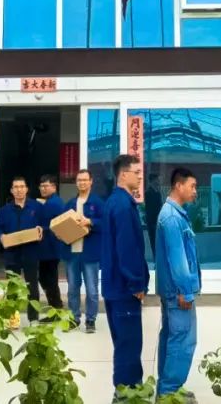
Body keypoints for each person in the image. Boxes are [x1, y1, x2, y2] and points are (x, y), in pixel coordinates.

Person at [100, 154, 149, 400]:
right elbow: (127, 248)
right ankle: (127, 393)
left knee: (123, 342)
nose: (140, 177)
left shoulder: (114, 202)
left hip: (114, 286)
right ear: (123, 175)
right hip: (123, 288)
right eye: (136, 173)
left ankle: (127, 390)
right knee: (129, 344)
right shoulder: (122, 205)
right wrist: (136, 283)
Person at [155, 168, 202, 401]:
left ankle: (167, 389)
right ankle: (169, 393)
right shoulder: (172, 218)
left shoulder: (174, 213)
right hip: (178, 293)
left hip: (172, 291)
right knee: (183, 341)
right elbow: (178, 260)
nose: (195, 191)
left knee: (172, 338)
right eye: (192, 186)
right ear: (178, 186)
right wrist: (185, 291)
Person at [0, 176, 44, 323]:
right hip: (12, 253)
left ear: (27, 189)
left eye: (22, 187)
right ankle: (12, 319)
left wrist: (41, 229)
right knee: (12, 287)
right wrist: (1, 237)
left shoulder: (36, 207)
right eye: (16, 187)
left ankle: (33, 318)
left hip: (31, 251)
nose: (19, 190)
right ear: (11, 190)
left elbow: (45, 224)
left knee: (32, 286)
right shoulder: (4, 210)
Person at [66, 168, 104, 333]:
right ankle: (74, 318)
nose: (82, 183)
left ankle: (90, 320)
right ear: (76, 183)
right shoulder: (70, 204)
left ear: (91, 182)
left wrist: (90, 221)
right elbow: (62, 225)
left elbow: (105, 223)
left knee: (92, 289)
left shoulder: (97, 203)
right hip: (72, 253)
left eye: (85, 180)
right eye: (79, 180)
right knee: (72, 288)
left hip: (90, 253)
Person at [36, 174, 66, 311]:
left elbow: (56, 224)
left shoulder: (54, 203)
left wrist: (41, 228)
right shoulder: (49, 202)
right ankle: (55, 307)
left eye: (46, 186)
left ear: (54, 187)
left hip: (51, 248)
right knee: (46, 278)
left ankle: (56, 308)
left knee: (49, 279)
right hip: (46, 249)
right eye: (41, 186)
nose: (43, 189)